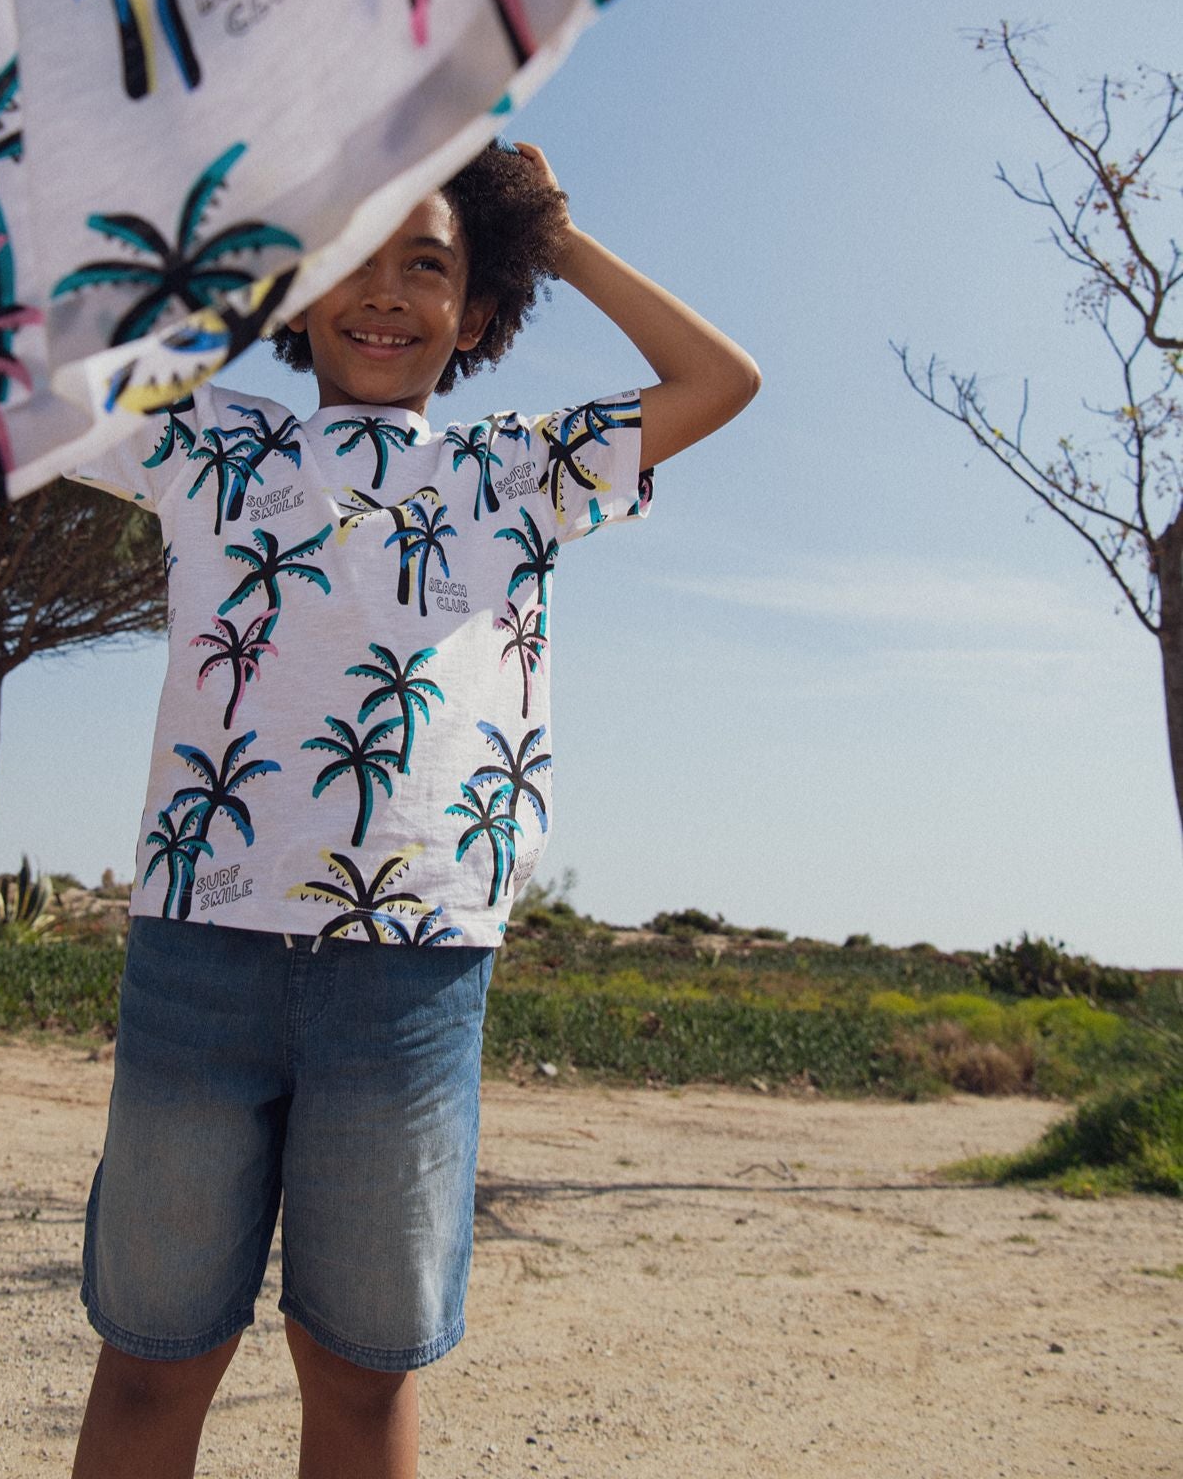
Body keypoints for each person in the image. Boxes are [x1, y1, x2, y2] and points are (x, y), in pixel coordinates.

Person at [65, 140, 760, 1479]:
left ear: (477, 312)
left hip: (416, 973)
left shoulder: (524, 469)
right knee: (152, 1362)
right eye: (349, 260)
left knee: (363, 1378)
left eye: (426, 266)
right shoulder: (203, 440)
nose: (384, 293)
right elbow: (26, 381)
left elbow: (720, 381)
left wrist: (552, 239)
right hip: (198, 958)